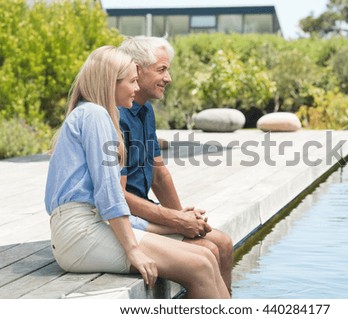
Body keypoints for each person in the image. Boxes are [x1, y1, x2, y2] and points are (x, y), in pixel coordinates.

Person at [44, 46, 230, 299]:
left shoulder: (100, 117)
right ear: (112, 82)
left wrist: (173, 225)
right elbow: (110, 198)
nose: (135, 88)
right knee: (200, 265)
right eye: (132, 81)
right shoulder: (95, 116)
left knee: (206, 256)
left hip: (92, 227)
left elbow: (113, 204)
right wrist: (134, 250)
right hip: (80, 234)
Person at [118, 36, 233, 293]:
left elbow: (158, 174)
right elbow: (116, 196)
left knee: (223, 244)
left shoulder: (145, 111)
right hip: (128, 219)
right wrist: (177, 220)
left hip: (145, 210)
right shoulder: (116, 115)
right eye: (161, 69)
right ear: (137, 69)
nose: (168, 78)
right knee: (208, 250)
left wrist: (182, 217)